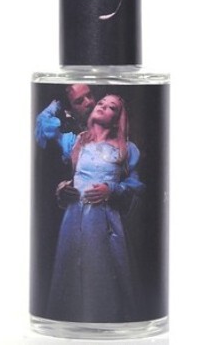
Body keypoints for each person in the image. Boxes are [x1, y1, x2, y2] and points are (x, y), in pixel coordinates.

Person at [45, 95, 146, 323]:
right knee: (72, 268)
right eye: (101, 103)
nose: (103, 107)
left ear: (117, 119)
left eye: (112, 108)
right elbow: (43, 126)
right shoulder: (77, 141)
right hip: (73, 218)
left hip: (104, 220)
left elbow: (135, 185)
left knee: (102, 270)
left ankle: (106, 321)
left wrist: (111, 189)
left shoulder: (125, 149)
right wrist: (64, 189)